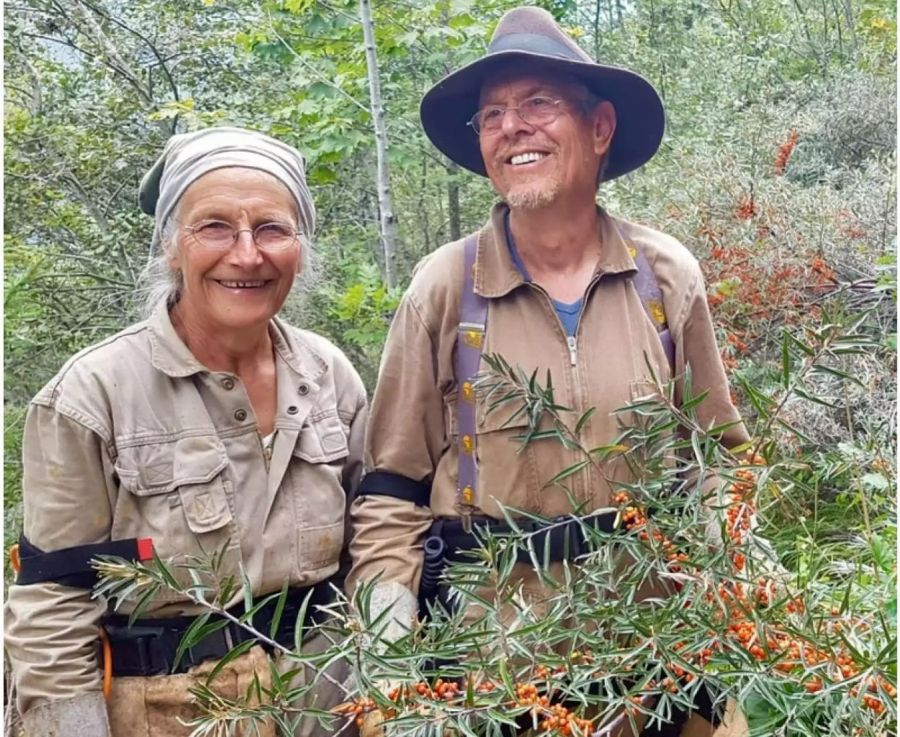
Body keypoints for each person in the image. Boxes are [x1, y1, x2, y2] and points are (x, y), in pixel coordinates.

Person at [346, 7, 750, 737]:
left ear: (599, 130)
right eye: (492, 114)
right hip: (493, 662)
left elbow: (718, 455)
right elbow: (390, 490)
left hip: (652, 656)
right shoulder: (444, 287)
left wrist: (738, 596)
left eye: (537, 103)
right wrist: (390, 660)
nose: (511, 127)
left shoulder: (665, 277)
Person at [5, 127, 367, 737]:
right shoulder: (92, 395)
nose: (247, 254)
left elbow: (374, 543)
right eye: (215, 227)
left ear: (300, 248)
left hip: (323, 707)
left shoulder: (327, 374)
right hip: (164, 713)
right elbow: (53, 607)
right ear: (172, 246)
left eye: (272, 228)